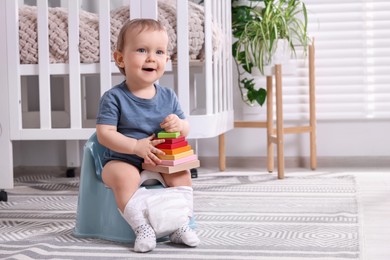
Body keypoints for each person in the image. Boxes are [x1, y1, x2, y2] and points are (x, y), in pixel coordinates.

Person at [96, 18, 199, 253]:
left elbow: (186, 127)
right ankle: (142, 227)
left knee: (182, 174)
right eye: (142, 50)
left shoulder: (168, 96)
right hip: (123, 159)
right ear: (121, 58)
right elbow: (104, 134)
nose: (151, 57)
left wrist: (178, 125)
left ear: (166, 60)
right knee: (124, 177)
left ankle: (179, 224)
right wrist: (134, 147)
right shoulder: (114, 97)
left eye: (159, 52)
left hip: (160, 160)